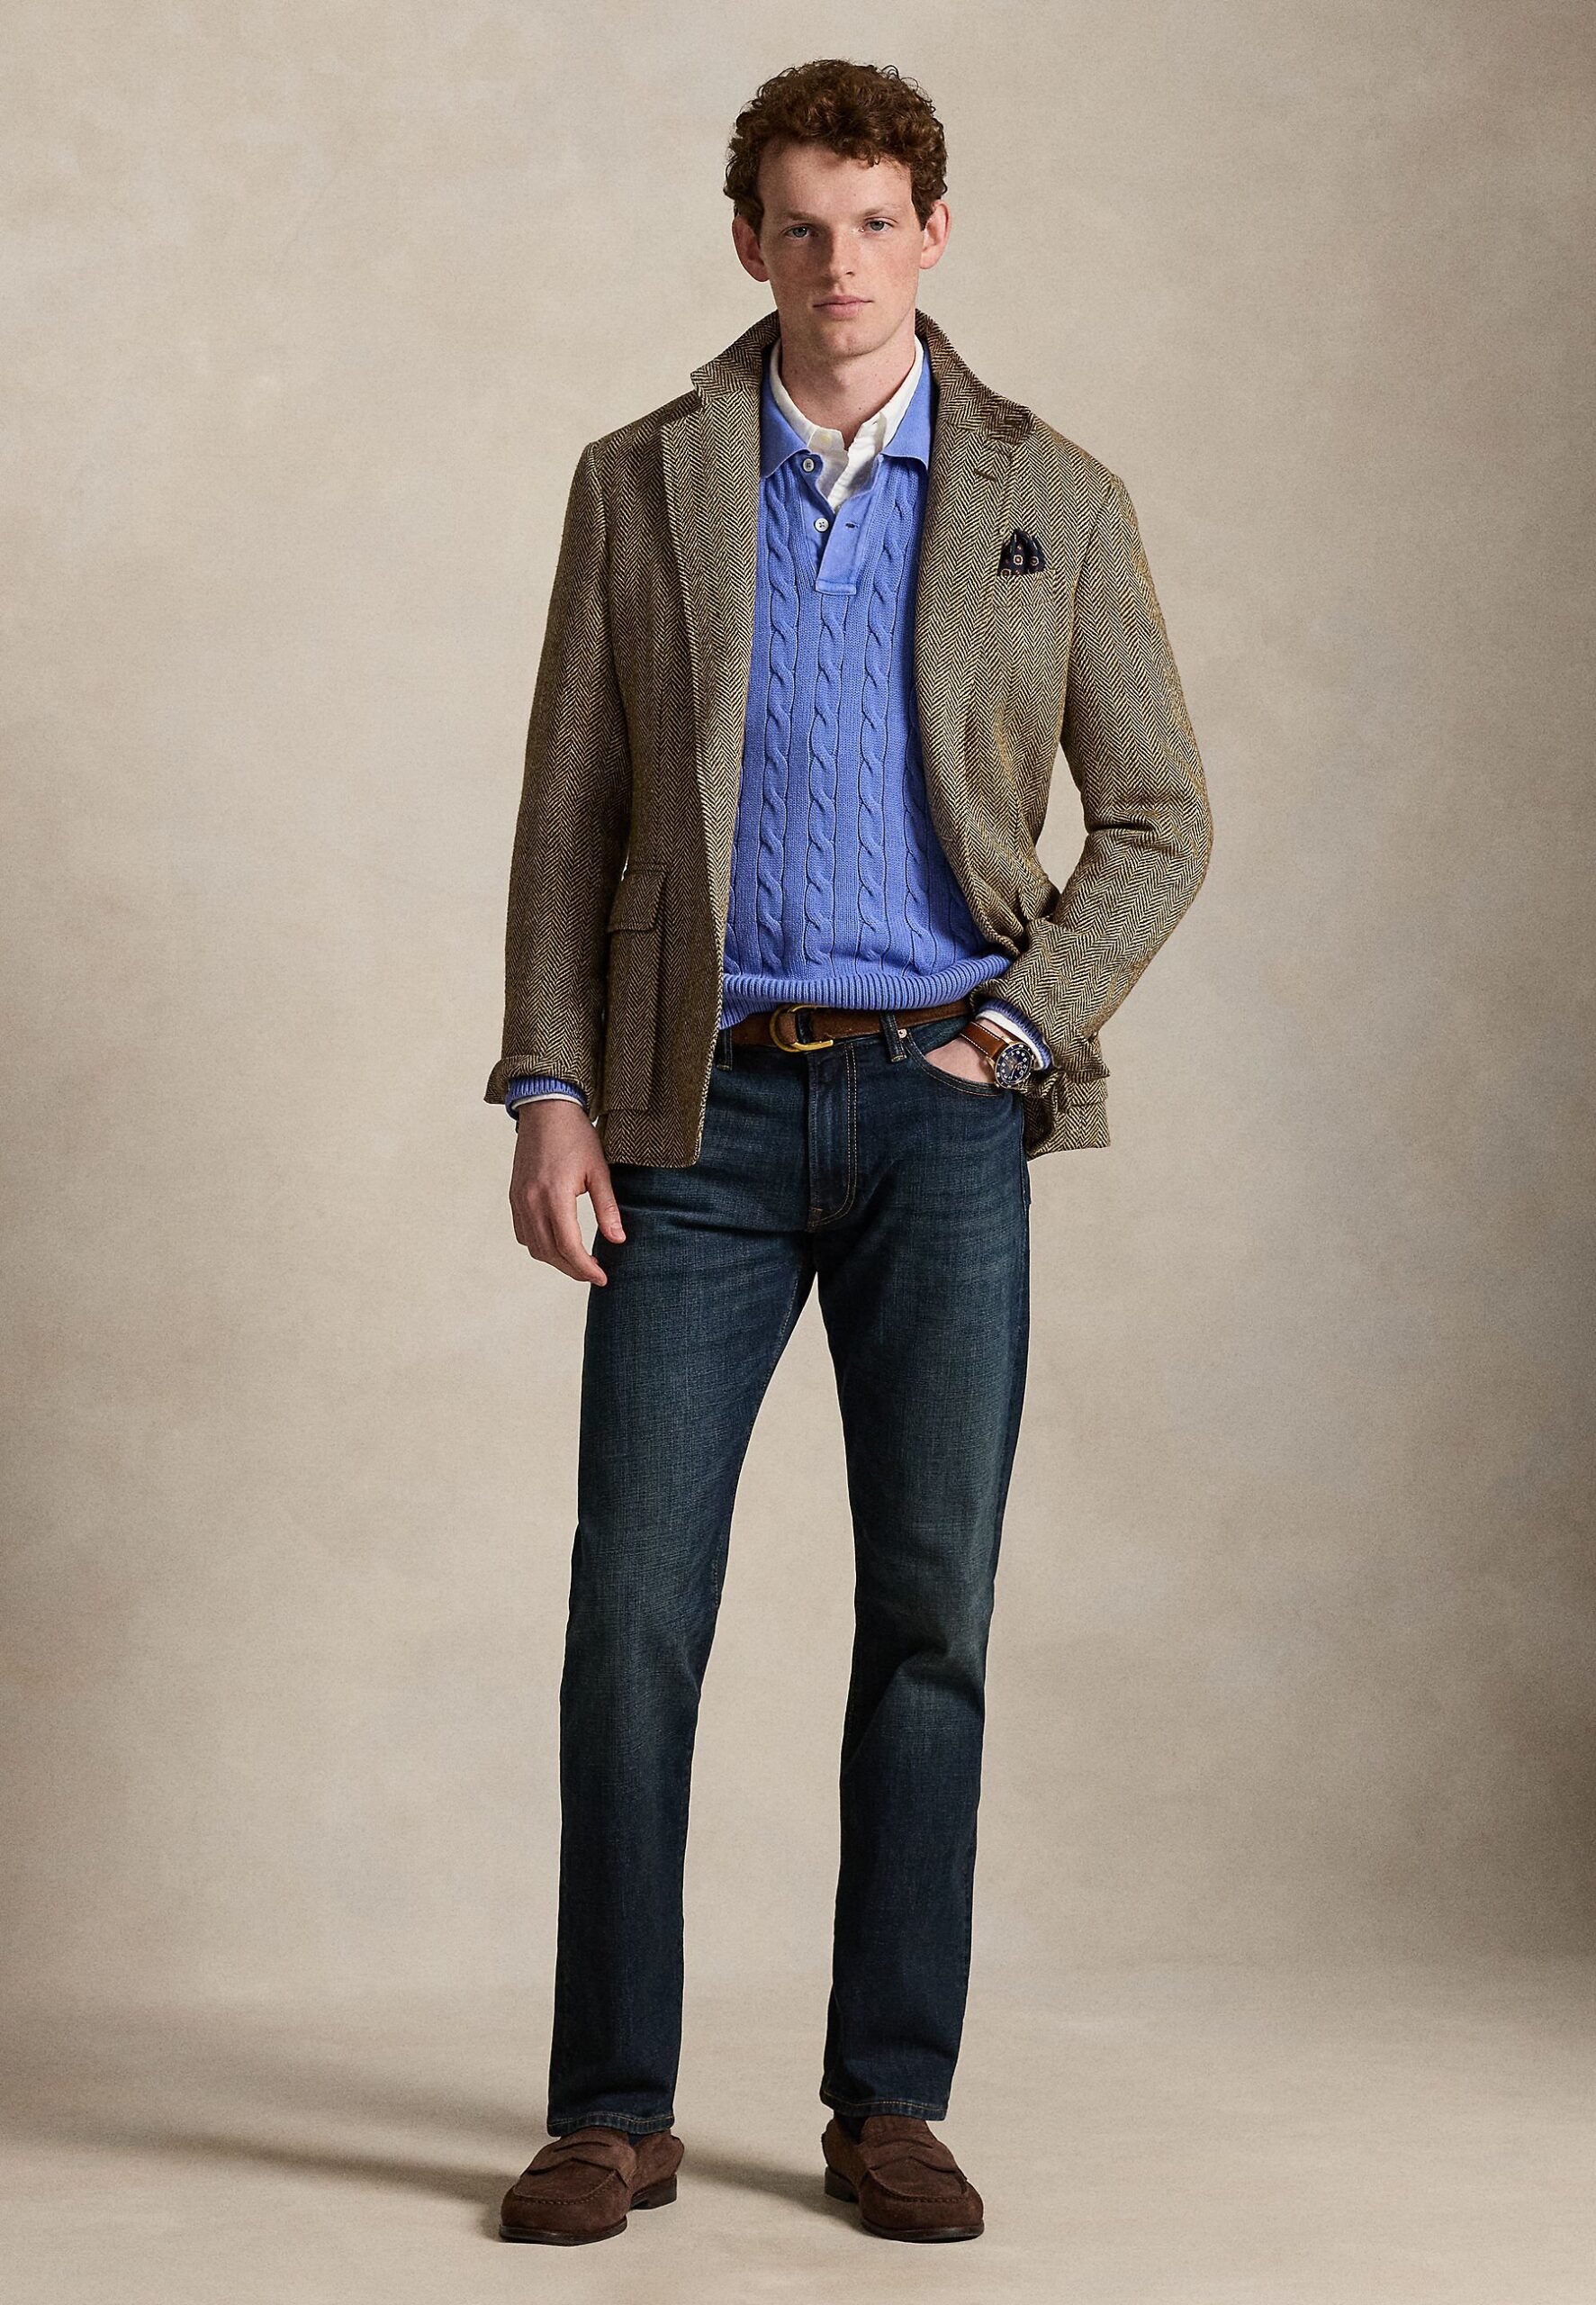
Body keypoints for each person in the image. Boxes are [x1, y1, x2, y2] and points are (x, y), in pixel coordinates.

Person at [489, 57, 1213, 2247]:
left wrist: (1012, 1033)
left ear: (932, 234)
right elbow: (569, 818)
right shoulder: (640, 482)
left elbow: (1158, 818)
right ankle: (609, 2106)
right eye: (799, 227)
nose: (838, 265)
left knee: (928, 1611)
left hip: (935, 1115)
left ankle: (887, 2093)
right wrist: (546, 1090)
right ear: (747, 242)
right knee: (632, 1610)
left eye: (875, 222)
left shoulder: (1051, 496)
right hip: (689, 1117)